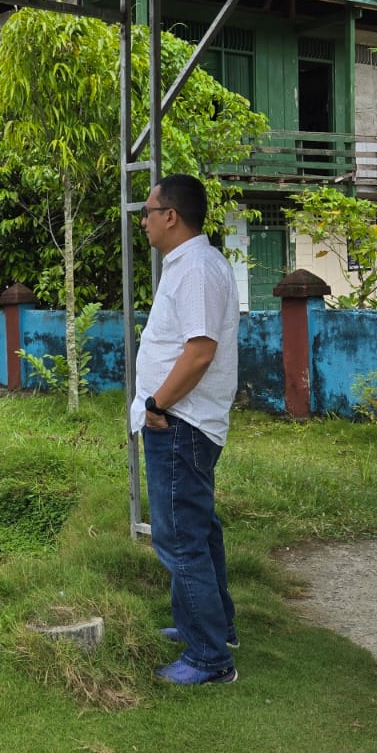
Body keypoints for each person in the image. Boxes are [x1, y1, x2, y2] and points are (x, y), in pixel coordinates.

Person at [131, 174, 240, 685]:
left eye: (148, 211)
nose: (144, 221)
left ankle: (208, 658)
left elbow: (199, 352)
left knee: (180, 538)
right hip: (184, 421)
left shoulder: (195, 268)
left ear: (170, 216)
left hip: (180, 422)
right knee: (198, 529)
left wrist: (158, 403)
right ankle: (212, 626)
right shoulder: (192, 264)